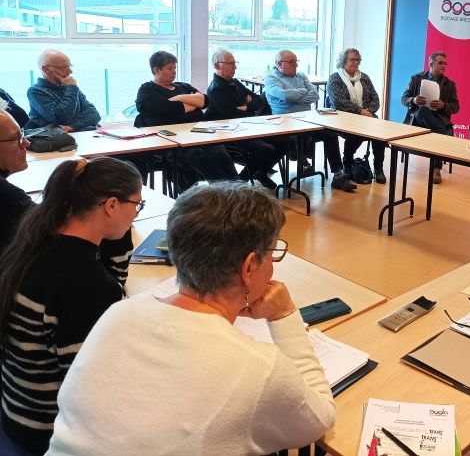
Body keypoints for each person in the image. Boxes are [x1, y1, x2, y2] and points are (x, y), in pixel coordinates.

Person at [47, 182, 336, 455]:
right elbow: (320, 417)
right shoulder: (257, 368)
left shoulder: (119, 314)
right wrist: (285, 316)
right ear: (249, 267)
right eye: (272, 253)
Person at [0, 157, 141, 455]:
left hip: (17, 408)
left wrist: (113, 234)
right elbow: (89, 387)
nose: (135, 215)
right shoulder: (84, 283)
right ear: (111, 205)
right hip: (49, 431)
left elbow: (113, 284)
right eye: (136, 205)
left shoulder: (38, 242)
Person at [135, 51, 238, 185]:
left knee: (221, 155)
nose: (174, 72)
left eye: (175, 68)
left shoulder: (183, 86)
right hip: (172, 141)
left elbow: (205, 101)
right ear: (156, 70)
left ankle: (239, 189)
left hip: (200, 134)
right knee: (199, 156)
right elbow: (167, 108)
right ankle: (224, 190)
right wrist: (192, 102)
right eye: (170, 68)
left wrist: (179, 98)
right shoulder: (147, 90)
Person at [264, 49, 355, 192]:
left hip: (308, 120)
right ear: (280, 64)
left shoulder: (301, 75)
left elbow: (315, 95)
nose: (296, 65)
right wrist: (302, 92)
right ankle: (304, 163)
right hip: (285, 123)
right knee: (298, 135)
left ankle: (338, 174)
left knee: (330, 134)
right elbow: (285, 96)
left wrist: (292, 97)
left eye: (296, 62)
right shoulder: (271, 78)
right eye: (292, 62)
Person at [207, 48, 290, 189]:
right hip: (230, 134)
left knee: (285, 142)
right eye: (231, 64)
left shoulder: (234, 82)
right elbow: (232, 115)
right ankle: (241, 181)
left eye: (235, 63)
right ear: (217, 65)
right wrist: (248, 106)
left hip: (248, 128)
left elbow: (259, 100)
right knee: (266, 149)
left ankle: (260, 173)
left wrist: (245, 107)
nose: (235, 67)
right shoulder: (215, 89)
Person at [327, 48, 386, 184]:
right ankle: (347, 162)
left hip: (366, 116)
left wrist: (368, 111)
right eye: (352, 59)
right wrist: (360, 111)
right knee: (357, 132)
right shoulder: (335, 78)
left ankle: (378, 168)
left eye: (358, 60)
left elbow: (375, 99)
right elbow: (339, 102)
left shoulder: (364, 77)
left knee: (380, 131)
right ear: (343, 61)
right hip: (343, 117)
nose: (356, 62)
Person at [401, 51, 459, 184]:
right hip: (417, 121)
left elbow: (456, 107)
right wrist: (414, 100)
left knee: (435, 129)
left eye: (445, 63)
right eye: (440, 63)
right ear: (431, 64)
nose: (443, 66)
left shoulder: (450, 84)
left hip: (438, 119)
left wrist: (443, 105)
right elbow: (404, 99)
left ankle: (436, 167)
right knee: (423, 111)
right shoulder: (416, 78)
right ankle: (436, 168)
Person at [26, 49, 101, 132]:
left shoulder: (69, 86)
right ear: (46, 69)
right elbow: (62, 119)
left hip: (78, 135)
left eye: (70, 66)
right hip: (55, 139)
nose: (70, 71)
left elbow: (95, 114)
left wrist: (72, 127)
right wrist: (72, 88)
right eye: (64, 67)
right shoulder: (35, 91)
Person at [0, 110, 32, 250]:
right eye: (16, 138)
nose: (26, 143)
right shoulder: (8, 196)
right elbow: (49, 226)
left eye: (22, 135)